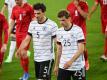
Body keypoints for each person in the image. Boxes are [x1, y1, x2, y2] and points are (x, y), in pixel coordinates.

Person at [16, 3, 58, 80]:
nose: (36, 15)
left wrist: (58, 63)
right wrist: (19, 49)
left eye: (38, 13)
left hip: (47, 58)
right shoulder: (32, 24)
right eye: (35, 13)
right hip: (36, 58)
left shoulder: (52, 25)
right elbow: (27, 39)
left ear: (44, 12)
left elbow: (57, 44)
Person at [54, 10, 86, 80]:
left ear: (69, 19)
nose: (61, 23)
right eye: (60, 20)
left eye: (63, 20)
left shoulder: (78, 30)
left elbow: (81, 49)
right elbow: (59, 50)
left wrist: (71, 61)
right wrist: (56, 65)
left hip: (78, 66)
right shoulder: (59, 32)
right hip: (63, 66)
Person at [9, 0, 35, 79]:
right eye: (15, 0)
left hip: (26, 34)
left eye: (17, 0)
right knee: (20, 54)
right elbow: (13, 21)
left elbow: (34, 19)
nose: (16, 1)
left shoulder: (29, 7)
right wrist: (8, 32)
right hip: (18, 34)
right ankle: (25, 73)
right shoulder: (14, 8)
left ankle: (26, 74)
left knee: (23, 53)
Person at [67, 0, 89, 70]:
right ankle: (75, 62)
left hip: (82, 30)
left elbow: (85, 16)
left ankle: (86, 60)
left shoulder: (84, 4)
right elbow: (68, 18)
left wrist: (78, 7)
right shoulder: (69, 5)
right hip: (72, 30)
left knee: (83, 48)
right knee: (73, 47)